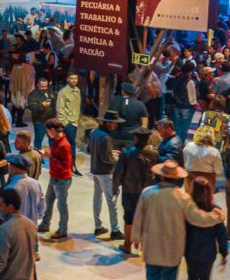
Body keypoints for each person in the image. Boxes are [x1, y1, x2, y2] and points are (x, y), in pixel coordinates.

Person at [131, 160, 226, 280]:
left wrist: (136, 237)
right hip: (174, 247)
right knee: (169, 275)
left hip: (152, 245)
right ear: (176, 178)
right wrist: (217, 216)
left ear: (160, 176)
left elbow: (139, 217)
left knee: (153, 278)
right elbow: (198, 218)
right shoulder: (183, 198)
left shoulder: (147, 193)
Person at [185, 177, 229, 280]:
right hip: (208, 253)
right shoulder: (215, 211)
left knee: (192, 279)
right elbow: (221, 234)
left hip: (191, 251)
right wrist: (224, 252)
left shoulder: (189, 209)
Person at [112, 127, 157, 255]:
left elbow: (118, 173)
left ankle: (127, 245)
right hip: (148, 191)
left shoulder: (127, 152)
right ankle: (143, 245)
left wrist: (115, 187)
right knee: (146, 217)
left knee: (129, 218)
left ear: (136, 138)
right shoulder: (154, 154)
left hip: (130, 191)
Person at [88, 110, 124, 240]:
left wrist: (109, 152)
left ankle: (98, 226)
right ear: (108, 123)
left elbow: (89, 149)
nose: (116, 125)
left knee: (97, 199)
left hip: (95, 170)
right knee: (112, 201)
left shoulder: (93, 132)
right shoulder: (106, 137)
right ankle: (115, 230)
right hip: (105, 173)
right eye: (114, 123)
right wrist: (117, 158)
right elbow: (106, 159)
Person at [37, 118, 73, 240]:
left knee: (62, 206)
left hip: (62, 179)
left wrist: (50, 156)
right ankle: (45, 224)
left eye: (47, 131)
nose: (47, 134)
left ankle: (63, 230)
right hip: (54, 177)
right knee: (48, 201)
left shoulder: (64, 145)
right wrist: (48, 154)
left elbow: (66, 166)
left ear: (52, 130)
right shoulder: (56, 141)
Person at [183, 125, 224, 193]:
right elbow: (218, 171)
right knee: (205, 198)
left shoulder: (189, 146)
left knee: (189, 197)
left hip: (190, 179)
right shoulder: (214, 151)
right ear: (211, 136)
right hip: (207, 181)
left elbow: (185, 164)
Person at [56, 72, 82, 175]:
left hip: (75, 122)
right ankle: (71, 167)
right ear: (67, 79)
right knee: (70, 145)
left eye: (76, 78)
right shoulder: (63, 92)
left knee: (71, 145)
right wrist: (66, 123)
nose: (74, 80)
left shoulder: (78, 90)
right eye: (72, 78)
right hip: (68, 123)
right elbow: (59, 109)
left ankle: (70, 165)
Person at [27, 78, 56, 150]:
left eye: (46, 86)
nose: (44, 88)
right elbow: (32, 107)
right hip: (39, 121)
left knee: (52, 138)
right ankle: (38, 154)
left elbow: (53, 103)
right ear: (38, 85)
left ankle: (53, 154)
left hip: (50, 120)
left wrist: (54, 116)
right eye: (42, 86)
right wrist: (42, 105)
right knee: (39, 138)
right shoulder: (33, 95)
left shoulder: (50, 91)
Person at [172, 62, 198, 141]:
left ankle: (176, 142)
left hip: (177, 106)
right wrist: (195, 106)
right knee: (184, 128)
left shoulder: (177, 79)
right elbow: (192, 97)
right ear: (191, 71)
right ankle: (181, 143)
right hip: (187, 107)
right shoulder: (190, 81)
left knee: (177, 127)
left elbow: (174, 93)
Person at [10, 57, 35, 128]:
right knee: (22, 104)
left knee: (15, 104)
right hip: (24, 89)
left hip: (16, 88)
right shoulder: (29, 67)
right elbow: (31, 77)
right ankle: (19, 121)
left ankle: (12, 119)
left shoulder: (14, 67)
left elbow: (12, 78)